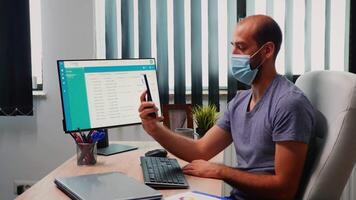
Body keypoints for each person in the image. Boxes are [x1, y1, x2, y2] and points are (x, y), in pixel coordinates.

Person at [138, 15, 315, 200]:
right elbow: (200, 150)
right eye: (233, 46)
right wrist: (154, 128)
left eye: (241, 47)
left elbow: (284, 190)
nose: (233, 54)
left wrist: (222, 171)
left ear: (267, 50)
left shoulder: (289, 104)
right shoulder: (240, 101)